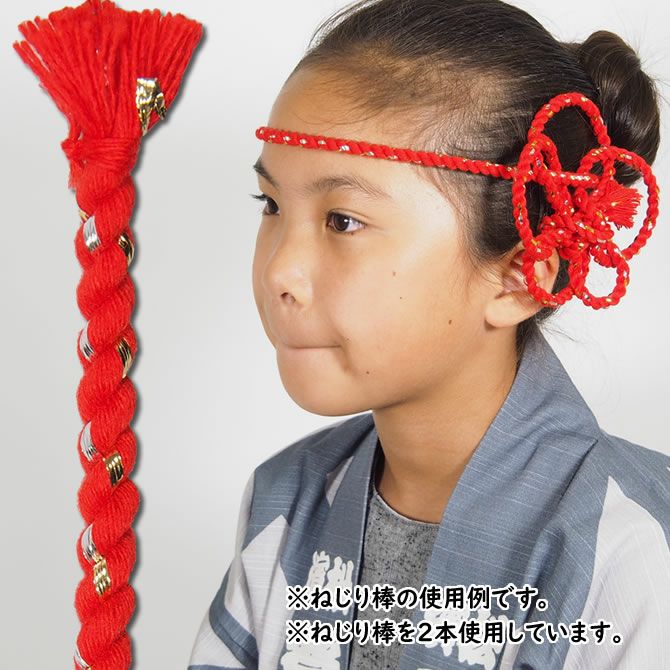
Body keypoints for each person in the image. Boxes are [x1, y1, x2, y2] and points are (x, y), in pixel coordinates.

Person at [187, 0, 669, 668]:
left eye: (343, 221)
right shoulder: (284, 501)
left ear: (521, 275)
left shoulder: (628, 552)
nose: (279, 272)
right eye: (271, 205)